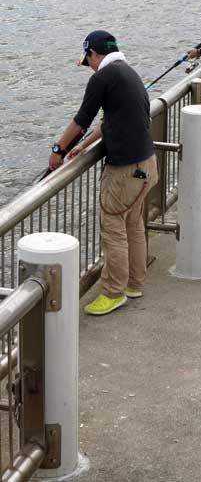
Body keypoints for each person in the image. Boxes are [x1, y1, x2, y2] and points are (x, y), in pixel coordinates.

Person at [48, 30, 157, 316]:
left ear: (94, 54)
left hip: (125, 171)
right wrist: (84, 146)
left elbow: (81, 120)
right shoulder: (127, 73)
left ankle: (112, 291)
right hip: (147, 165)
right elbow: (108, 122)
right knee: (132, 224)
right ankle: (134, 283)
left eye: (88, 61)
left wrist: (58, 150)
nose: (89, 67)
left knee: (112, 228)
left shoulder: (103, 78)